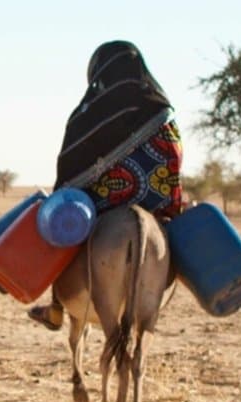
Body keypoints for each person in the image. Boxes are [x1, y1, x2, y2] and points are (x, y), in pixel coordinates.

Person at [29, 40, 184, 330]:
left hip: (101, 203)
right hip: (157, 203)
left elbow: (69, 168)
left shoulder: (89, 113)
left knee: (62, 229)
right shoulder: (163, 110)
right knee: (180, 240)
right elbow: (174, 159)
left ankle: (56, 308)